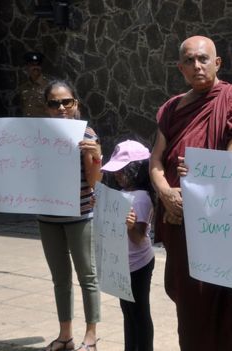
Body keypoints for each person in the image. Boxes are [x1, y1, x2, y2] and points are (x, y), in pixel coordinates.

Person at [149, 35, 232, 351]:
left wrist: (198, 186)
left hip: (219, 225)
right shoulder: (171, 109)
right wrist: (167, 193)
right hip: (179, 222)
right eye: (189, 61)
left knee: (225, 306)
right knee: (191, 310)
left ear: (217, 63)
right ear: (180, 67)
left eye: (203, 59)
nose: (197, 66)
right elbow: (155, 160)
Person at [0, 80, 102, 351]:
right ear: (46, 107)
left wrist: (96, 157)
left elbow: (95, 183)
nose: (61, 107)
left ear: (76, 104)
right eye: (54, 103)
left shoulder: (87, 135)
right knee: (60, 279)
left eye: (66, 102)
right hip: (47, 217)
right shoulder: (34, 136)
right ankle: (65, 335)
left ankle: (91, 336)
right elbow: (13, 159)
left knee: (87, 277)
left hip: (80, 216)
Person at [100, 140, 155, 351]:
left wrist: (130, 226)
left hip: (138, 265)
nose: (117, 175)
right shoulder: (125, 195)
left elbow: (138, 237)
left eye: (122, 170)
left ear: (136, 169)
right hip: (124, 264)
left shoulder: (140, 197)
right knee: (128, 312)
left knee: (139, 312)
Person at [17, 52, 51, 117]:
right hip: (27, 123)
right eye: (32, 65)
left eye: (38, 65)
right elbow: (22, 106)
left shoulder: (49, 86)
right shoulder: (23, 87)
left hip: (43, 124)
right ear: (27, 67)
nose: (35, 67)